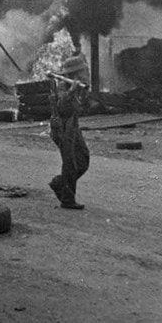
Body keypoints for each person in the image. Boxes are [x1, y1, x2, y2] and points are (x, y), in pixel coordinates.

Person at [48, 55, 91, 210]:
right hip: (62, 127)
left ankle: (59, 183)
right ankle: (67, 199)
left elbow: (82, 105)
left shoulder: (80, 86)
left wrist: (81, 90)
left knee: (83, 160)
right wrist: (71, 91)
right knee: (70, 164)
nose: (85, 73)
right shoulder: (61, 87)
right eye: (82, 71)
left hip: (73, 126)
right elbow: (61, 107)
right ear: (75, 74)